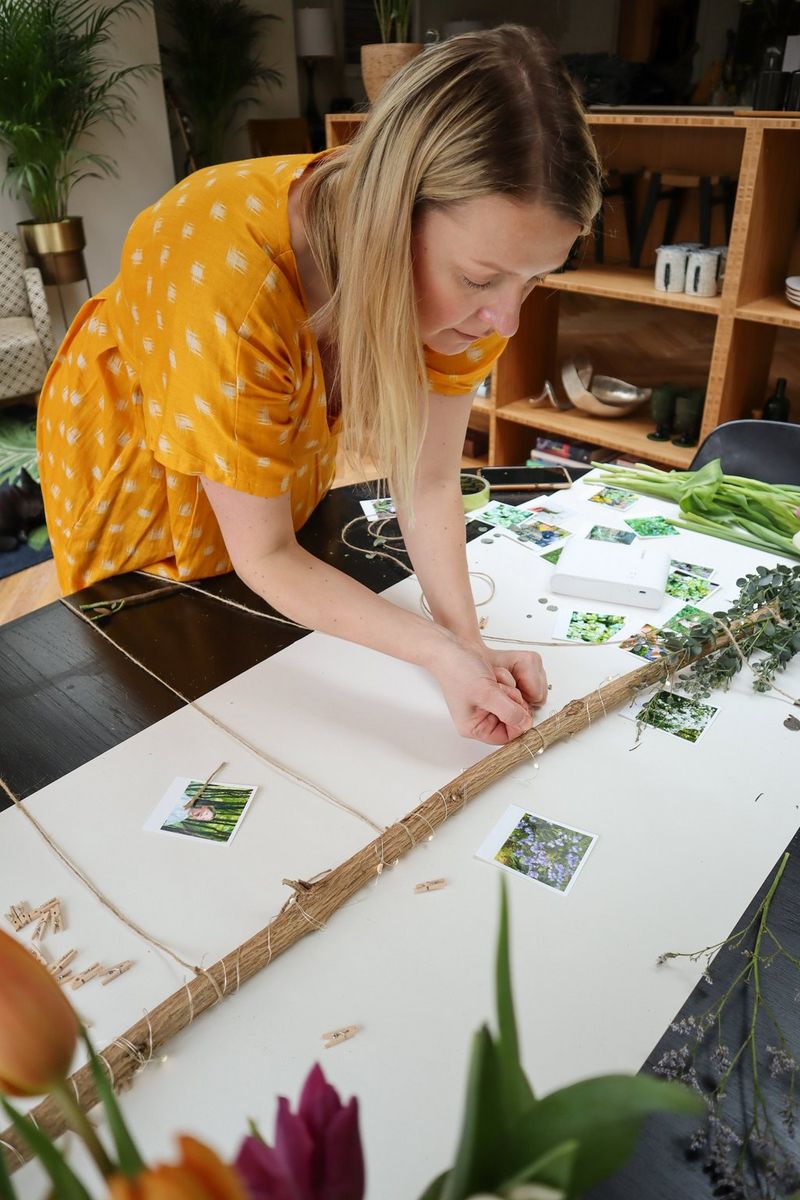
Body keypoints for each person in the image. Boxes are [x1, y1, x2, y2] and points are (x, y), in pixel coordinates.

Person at [37, 25, 602, 746]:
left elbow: (427, 481)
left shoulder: (471, 280)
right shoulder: (232, 286)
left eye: (534, 280)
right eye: (478, 278)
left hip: (254, 424)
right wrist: (432, 652)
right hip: (136, 455)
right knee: (153, 690)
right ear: (393, 215)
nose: (507, 321)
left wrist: (467, 646)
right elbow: (266, 553)